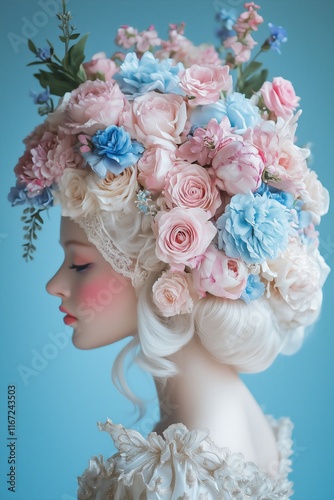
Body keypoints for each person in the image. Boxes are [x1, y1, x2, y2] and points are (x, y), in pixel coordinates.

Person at [8, 2, 330, 498]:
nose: (56, 284)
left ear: (164, 270)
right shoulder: (229, 417)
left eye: (80, 263)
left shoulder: (176, 476)